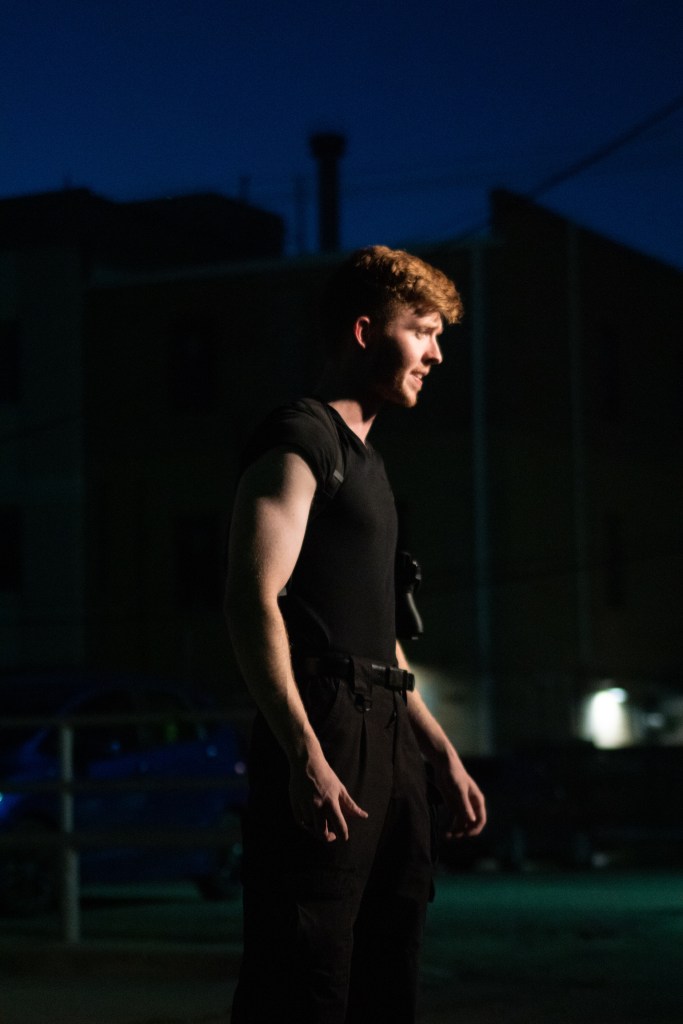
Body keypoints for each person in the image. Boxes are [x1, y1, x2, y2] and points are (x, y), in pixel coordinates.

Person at [224, 245, 486, 1024]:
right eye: (422, 332)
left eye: (439, 337)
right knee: (305, 968)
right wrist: (303, 750)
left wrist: (438, 751)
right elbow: (251, 598)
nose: (436, 355)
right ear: (366, 331)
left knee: (388, 957)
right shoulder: (299, 437)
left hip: (387, 730)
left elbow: (379, 635)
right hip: (328, 721)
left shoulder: (369, 462)